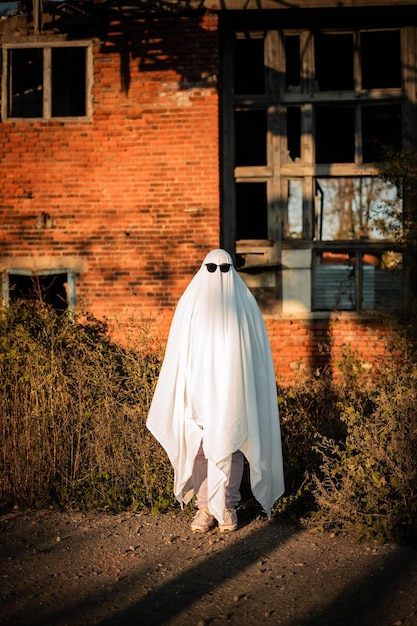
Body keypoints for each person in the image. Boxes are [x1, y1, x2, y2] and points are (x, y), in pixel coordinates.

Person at [146, 248, 284, 532]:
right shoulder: (190, 304)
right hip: (197, 391)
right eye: (211, 269)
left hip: (233, 393)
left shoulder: (244, 305)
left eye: (224, 269)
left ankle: (228, 507)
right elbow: (178, 351)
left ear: (232, 270)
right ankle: (205, 507)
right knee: (199, 448)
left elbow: (255, 356)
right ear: (202, 269)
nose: (217, 275)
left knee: (232, 443)